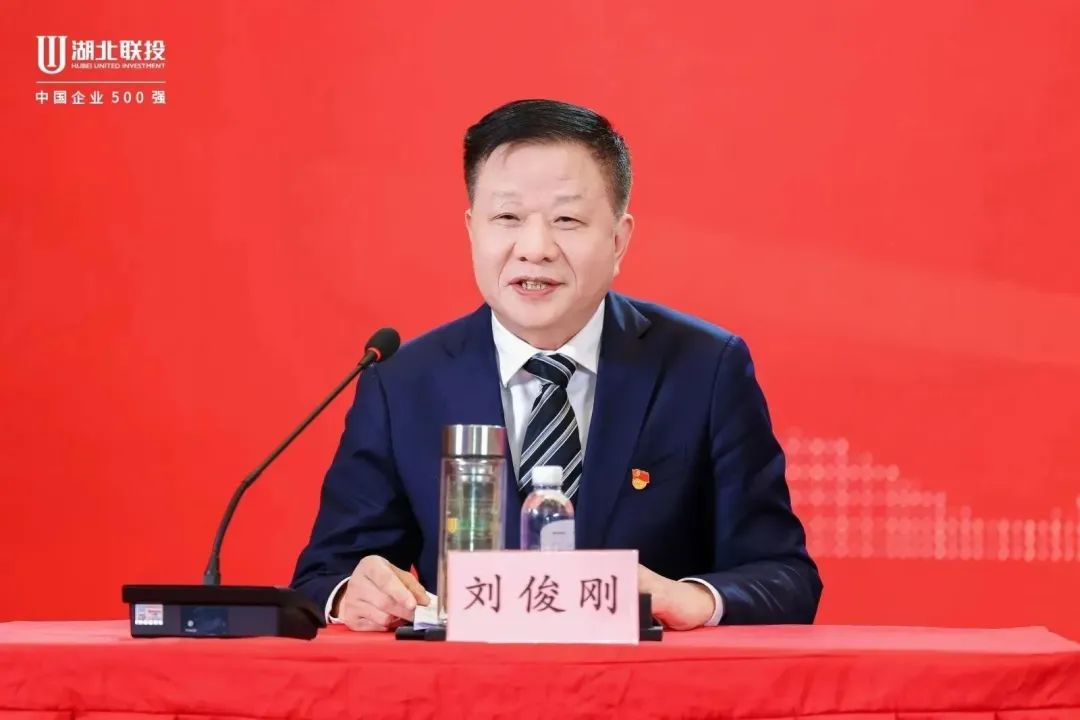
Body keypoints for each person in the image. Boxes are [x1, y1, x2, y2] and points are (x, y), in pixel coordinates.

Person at [291, 99, 821, 631]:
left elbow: (785, 577)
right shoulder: (403, 383)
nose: (535, 248)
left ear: (619, 239)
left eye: (567, 219)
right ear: (473, 230)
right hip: (468, 682)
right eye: (507, 218)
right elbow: (322, 577)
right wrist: (352, 594)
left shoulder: (704, 369)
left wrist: (690, 599)